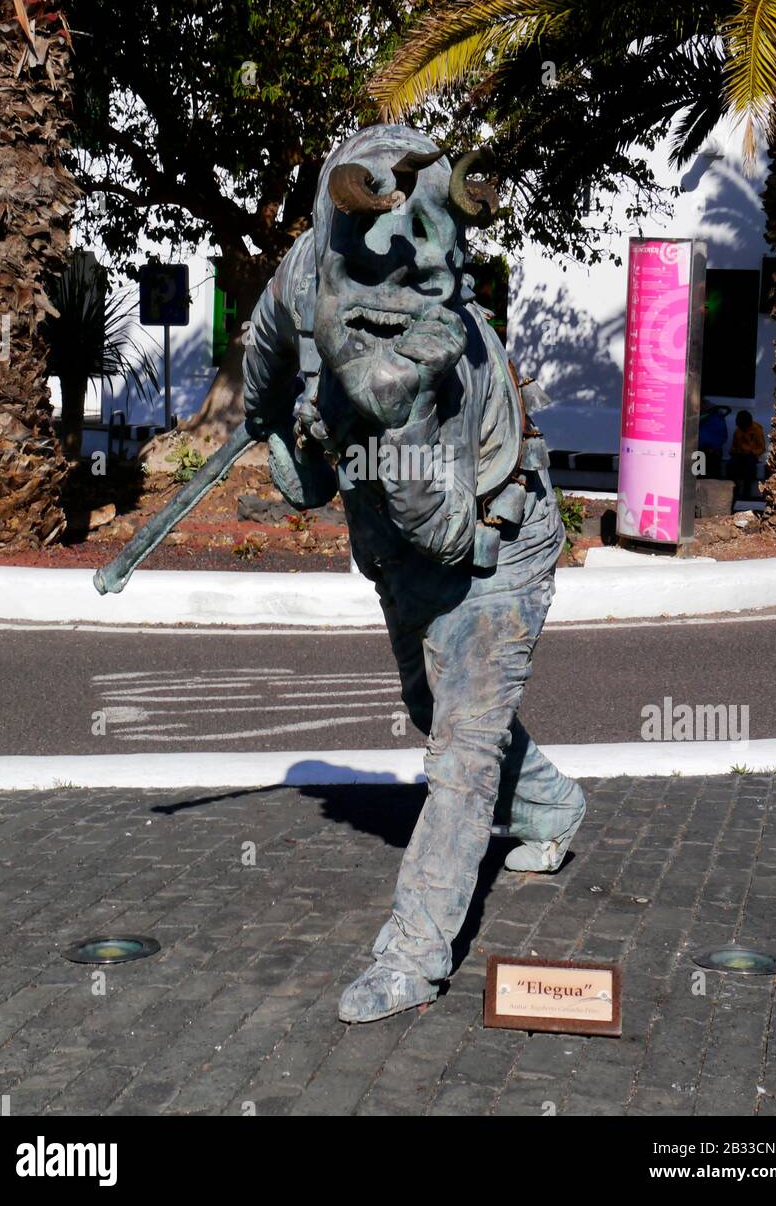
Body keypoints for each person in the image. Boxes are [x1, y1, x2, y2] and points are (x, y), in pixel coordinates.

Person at [241, 124, 586, 1024]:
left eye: (440, 267)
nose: (418, 290)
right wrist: (285, 428)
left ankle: (412, 957)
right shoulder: (304, 273)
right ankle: (553, 807)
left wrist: (371, 402)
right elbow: (265, 363)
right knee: (439, 710)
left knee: (461, 757)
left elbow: (438, 532)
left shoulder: (443, 355)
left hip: (491, 549)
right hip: (400, 556)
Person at [729, 409, 766, 500]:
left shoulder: (757, 430)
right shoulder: (738, 431)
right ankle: (733, 491)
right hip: (739, 456)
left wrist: (752, 452)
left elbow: (762, 448)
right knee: (731, 465)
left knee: (748, 467)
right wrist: (735, 451)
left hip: (751, 456)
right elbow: (734, 446)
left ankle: (747, 493)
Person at [698, 399, 728, 479]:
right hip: (701, 451)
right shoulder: (700, 417)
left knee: (711, 474)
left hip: (712, 451)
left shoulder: (715, 417)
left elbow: (722, 436)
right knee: (699, 474)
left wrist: (713, 448)